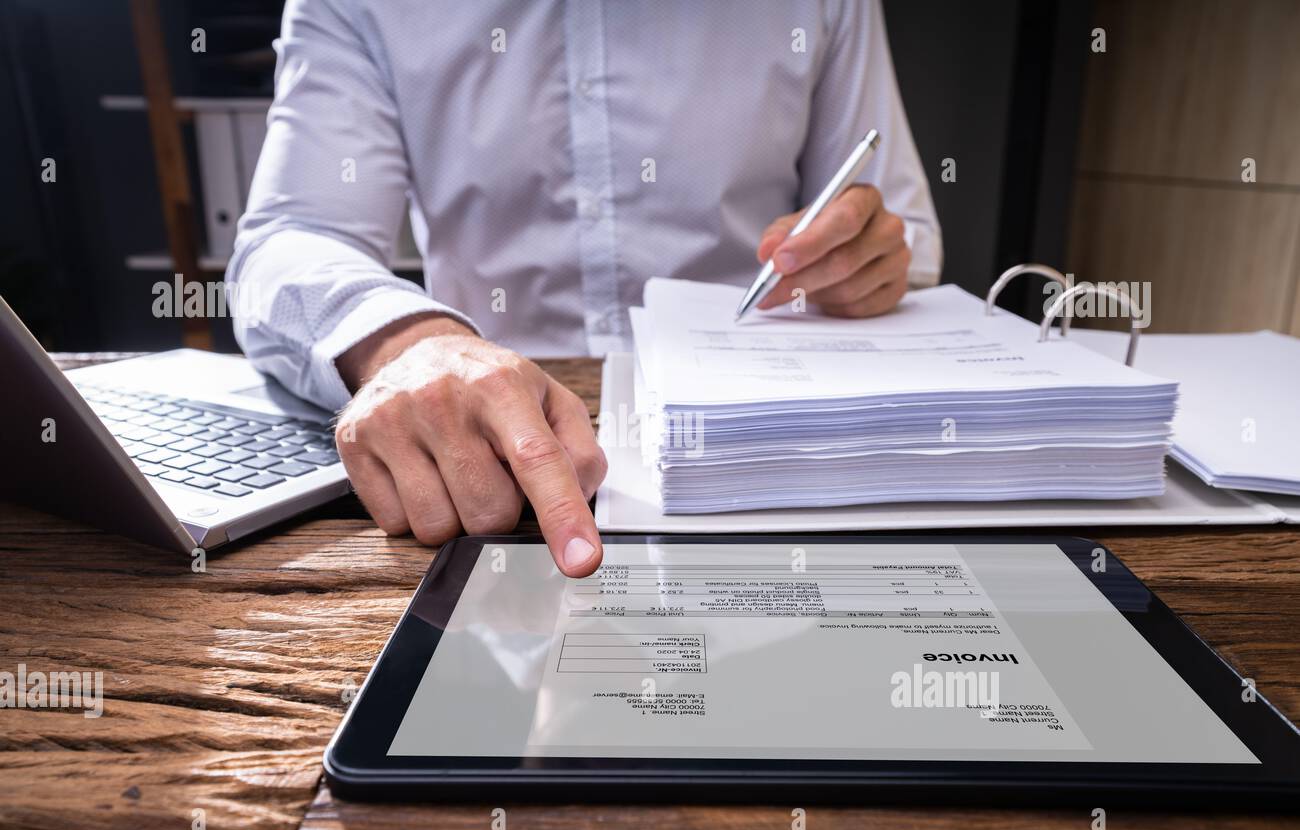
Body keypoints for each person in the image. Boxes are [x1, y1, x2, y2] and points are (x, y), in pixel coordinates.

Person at [228, 0, 942, 577]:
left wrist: (870, 254)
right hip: (477, 458)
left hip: (765, 448)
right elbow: (286, 241)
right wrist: (410, 346)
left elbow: (903, 230)